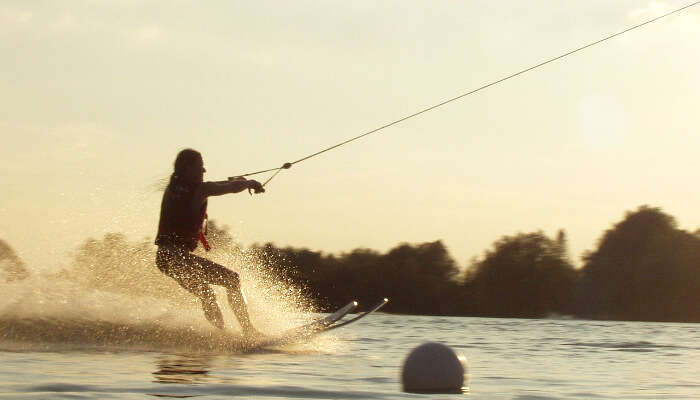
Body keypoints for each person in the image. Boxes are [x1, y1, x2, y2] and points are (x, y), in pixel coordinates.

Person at [155, 148, 265, 336]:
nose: (203, 171)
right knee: (232, 280)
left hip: (164, 259)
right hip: (177, 257)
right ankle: (249, 331)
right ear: (187, 169)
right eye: (200, 167)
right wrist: (251, 183)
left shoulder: (173, 187)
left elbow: (218, 185)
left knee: (207, 295)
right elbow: (224, 188)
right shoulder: (199, 189)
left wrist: (239, 182)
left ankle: (219, 337)